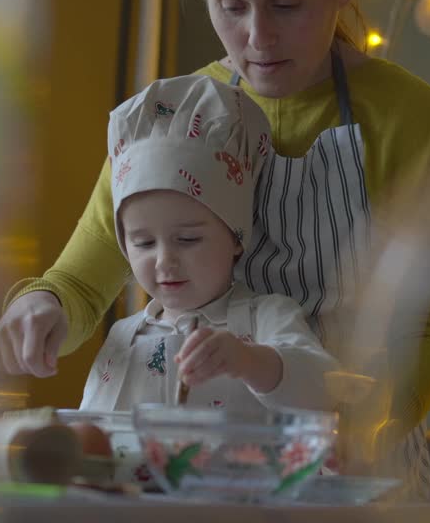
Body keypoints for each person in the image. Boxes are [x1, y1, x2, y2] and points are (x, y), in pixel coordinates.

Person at [0, 0, 430, 498]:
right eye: (229, 6)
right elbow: (79, 285)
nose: (257, 37)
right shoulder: (174, 114)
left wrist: (367, 427)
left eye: (286, 4)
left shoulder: (407, 115)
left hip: (354, 463)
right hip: (202, 466)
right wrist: (39, 308)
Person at [78, 74, 337, 414]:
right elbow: (95, 430)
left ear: (235, 237)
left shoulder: (267, 316)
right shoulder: (122, 337)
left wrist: (249, 361)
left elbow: (322, 391)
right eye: (143, 243)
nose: (164, 261)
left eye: (187, 239)